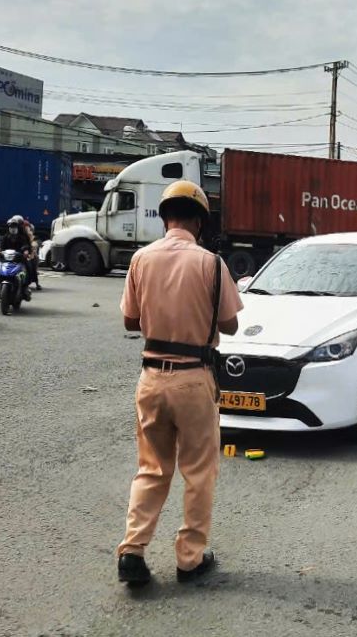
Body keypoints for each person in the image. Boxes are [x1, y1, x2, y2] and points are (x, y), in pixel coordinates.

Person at [116, 180, 242, 588]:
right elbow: (231, 324)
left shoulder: (140, 259)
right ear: (200, 221)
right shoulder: (210, 263)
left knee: (151, 469)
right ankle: (189, 559)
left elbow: (130, 322)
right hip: (193, 379)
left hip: (151, 378)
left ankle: (133, 550)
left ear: (164, 217)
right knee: (198, 472)